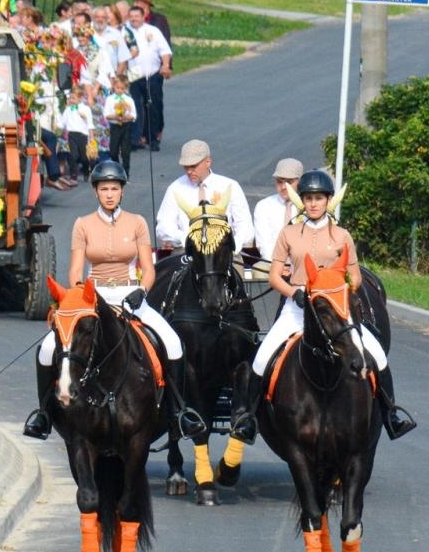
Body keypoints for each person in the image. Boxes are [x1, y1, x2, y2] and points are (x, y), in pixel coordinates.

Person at [231, 169, 414, 443]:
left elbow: (356, 277)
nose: (314, 203)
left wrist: (340, 289)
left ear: (329, 200)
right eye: (308, 198)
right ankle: (250, 419)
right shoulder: (289, 234)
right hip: (299, 308)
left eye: (319, 198)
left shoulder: (342, 236)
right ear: (301, 201)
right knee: (262, 357)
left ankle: (391, 415)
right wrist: (294, 293)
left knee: (376, 354)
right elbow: (274, 275)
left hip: (335, 310)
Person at [23, 160, 201, 441]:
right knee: (47, 349)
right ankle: (45, 413)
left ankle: (178, 411)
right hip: (95, 295)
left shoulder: (137, 222)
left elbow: (149, 267)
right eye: (104, 188)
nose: (109, 194)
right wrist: (82, 293)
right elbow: (74, 269)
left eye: (114, 188)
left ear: (122, 191)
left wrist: (141, 290)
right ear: (96, 191)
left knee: (173, 343)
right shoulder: (83, 225)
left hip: (131, 295)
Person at [154, 139, 254, 251]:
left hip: (224, 252)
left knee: (238, 268)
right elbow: (163, 226)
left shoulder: (230, 186)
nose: (189, 171)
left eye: (193, 166)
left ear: (208, 162)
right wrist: (188, 239)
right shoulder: (175, 189)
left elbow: (245, 225)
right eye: (186, 167)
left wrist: (233, 244)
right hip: (186, 251)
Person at [125, 2, 172, 151]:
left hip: (152, 74)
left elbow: (165, 50)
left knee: (153, 106)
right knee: (134, 107)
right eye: (131, 16)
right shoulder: (124, 32)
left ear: (143, 17)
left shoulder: (153, 31)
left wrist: (165, 65)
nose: (134, 19)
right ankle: (135, 139)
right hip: (132, 76)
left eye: (137, 16)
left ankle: (153, 138)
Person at [251, 157, 303, 261]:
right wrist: (278, 265)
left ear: (300, 182)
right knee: (259, 272)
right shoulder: (264, 206)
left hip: (303, 264)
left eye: (289, 182)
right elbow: (263, 243)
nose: (283, 187)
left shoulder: (309, 206)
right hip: (271, 263)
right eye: (279, 182)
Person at [102, 73, 138, 173]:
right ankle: (117, 169)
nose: (120, 90)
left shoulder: (128, 100)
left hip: (126, 126)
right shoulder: (110, 99)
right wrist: (115, 117)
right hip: (115, 126)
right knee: (113, 150)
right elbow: (106, 114)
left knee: (126, 151)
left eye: (122, 89)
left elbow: (133, 115)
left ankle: (126, 172)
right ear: (114, 87)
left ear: (125, 88)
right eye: (118, 88)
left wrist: (126, 116)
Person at [61, 83, 94, 180]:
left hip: (83, 135)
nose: (71, 100)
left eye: (73, 98)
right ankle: (73, 174)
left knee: (84, 157)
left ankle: (86, 171)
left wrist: (91, 137)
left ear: (80, 98)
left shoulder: (86, 109)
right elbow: (63, 121)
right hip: (72, 134)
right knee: (73, 155)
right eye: (70, 98)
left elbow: (90, 124)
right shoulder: (68, 109)